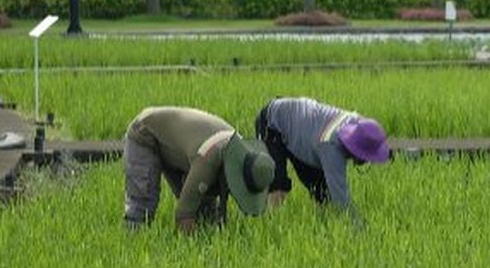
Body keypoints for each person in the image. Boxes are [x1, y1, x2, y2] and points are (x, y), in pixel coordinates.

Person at [123, 106, 274, 234]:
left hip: (185, 145)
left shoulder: (241, 152)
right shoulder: (209, 159)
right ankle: (131, 241)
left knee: (206, 214)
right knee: (143, 205)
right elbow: (184, 215)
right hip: (146, 132)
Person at [253, 97, 390, 218]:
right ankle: (272, 226)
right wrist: (360, 229)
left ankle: (321, 228)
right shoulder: (331, 147)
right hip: (273, 122)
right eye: (364, 156)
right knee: (278, 186)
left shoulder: (359, 125)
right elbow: (341, 199)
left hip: (305, 132)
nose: (365, 161)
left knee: (323, 195)